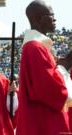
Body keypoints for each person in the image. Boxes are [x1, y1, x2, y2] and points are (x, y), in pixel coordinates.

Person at [16, 1, 72, 135]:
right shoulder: (35, 48)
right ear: (38, 19)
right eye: (51, 15)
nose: (55, 19)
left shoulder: (39, 47)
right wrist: (65, 65)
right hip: (42, 124)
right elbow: (49, 89)